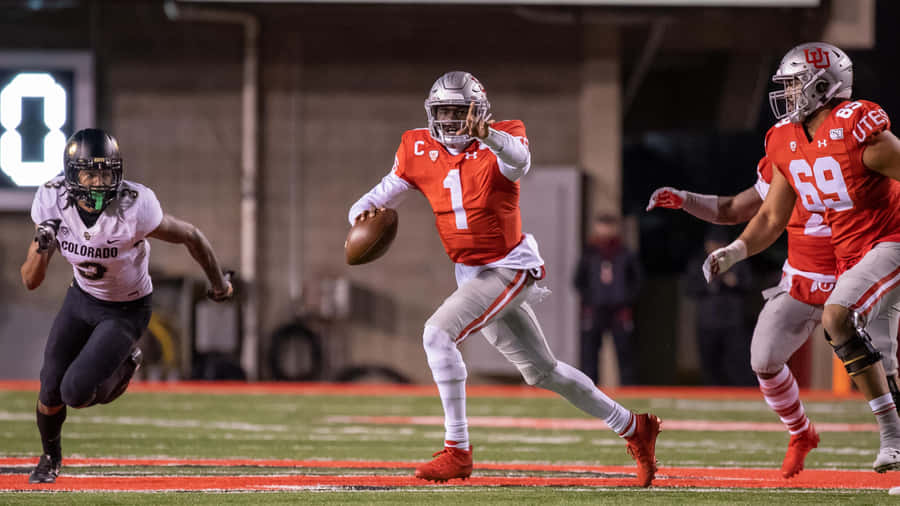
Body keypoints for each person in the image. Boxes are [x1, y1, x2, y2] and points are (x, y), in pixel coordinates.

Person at [348, 71, 661, 486]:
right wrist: (360, 220)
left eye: (460, 112)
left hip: (508, 266)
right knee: (543, 372)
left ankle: (457, 450)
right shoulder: (416, 147)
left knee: (437, 335)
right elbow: (373, 200)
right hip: (471, 275)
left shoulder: (503, 138)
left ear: (479, 112)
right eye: (443, 111)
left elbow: (520, 161)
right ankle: (634, 427)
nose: (451, 120)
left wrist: (489, 136)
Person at [703, 42, 900, 473]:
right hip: (847, 257)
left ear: (825, 86)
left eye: (795, 84)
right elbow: (772, 214)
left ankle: (892, 436)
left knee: (843, 323)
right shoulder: (786, 141)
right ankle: (877, 436)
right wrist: (735, 251)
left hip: (889, 242)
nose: (789, 93)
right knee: (873, 352)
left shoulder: (855, 129)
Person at [20, 128, 234, 483]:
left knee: (75, 392)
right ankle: (50, 458)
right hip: (81, 299)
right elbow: (30, 280)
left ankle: (126, 364)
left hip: (126, 309)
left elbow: (190, 236)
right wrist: (43, 245)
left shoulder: (135, 206)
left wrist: (219, 284)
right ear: (72, 176)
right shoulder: (51, 200)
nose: (100, 181)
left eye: (107, 172)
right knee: (50, 388)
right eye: (90, 173)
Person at [647, 154, 835, 477]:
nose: (793, 100)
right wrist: (686, 200)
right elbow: (736, 209)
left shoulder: (858, 136)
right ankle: (801, 432)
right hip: (802, 279)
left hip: (855, 274)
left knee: (880, 364)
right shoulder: (785, 143)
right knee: (763, 359)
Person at [573, 213, 642, 385]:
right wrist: (590, 299)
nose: (605, 230)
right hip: (595, 310)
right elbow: (578, 281)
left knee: (625, 353)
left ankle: (629, 391)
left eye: (609, 226)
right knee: (590, 354)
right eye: (602, 225)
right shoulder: (589, 253)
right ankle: (590, 391)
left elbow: (637, 280)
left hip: (619, 311)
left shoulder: (625, 253)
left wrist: (626, 299)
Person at [683, 228, 755, 386]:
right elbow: (689, 289)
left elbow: (750, 286)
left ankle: (738, 393)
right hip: (707, 321)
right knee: (709, 363)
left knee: (736, 362)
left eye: (719, 244)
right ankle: (712, 392)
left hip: (732, 321)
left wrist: (734, 283)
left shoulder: (737, 262)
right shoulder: (698, 263)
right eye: (712, 244)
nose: (715, 248)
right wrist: (709, 284)